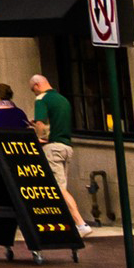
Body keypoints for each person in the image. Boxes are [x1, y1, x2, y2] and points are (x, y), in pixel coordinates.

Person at [29, 73, 93, 236]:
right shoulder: (63, 100)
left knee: (58, 188)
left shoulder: (41, 99)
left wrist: (38, 135)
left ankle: (80, 223)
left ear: (37, 86)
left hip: (53, 148)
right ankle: (67, 221)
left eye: (33, 90)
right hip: (66, 146)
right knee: (61, 187)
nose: (34, 93)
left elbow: (41, 125)